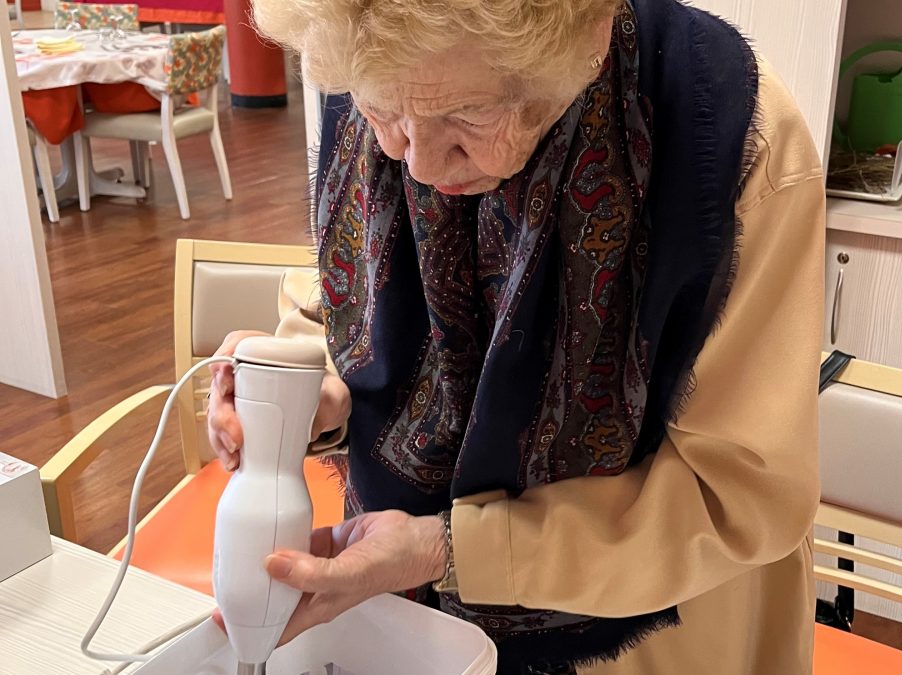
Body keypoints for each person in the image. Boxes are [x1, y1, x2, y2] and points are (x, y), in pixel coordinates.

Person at [206, 0, 826, 672]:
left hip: (650, 633)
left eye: (468, 119)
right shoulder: (378, 72)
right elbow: (336, 305)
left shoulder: (726, 139)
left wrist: (450, 548)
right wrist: (317, 397)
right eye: (380, 112)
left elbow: (736, 496)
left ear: (585, 43)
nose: (414, 164)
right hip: (409, 615)